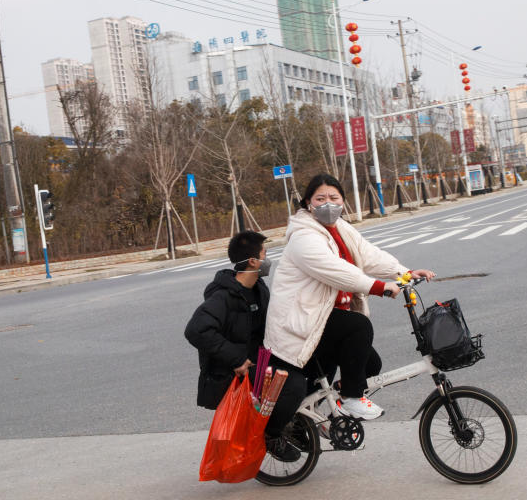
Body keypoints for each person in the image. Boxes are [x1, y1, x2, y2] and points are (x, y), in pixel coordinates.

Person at [264, 173, 435, 422]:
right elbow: (335, 270)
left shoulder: (341, 229)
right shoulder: (303, 236)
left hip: (322, 317)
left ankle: (319, 414)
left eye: (334, 197)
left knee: (369, 365)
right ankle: (351, 400)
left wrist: (404, 273)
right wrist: (377, 286)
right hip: (301, 322)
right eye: (320, 198)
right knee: (358, 327)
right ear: (307, 203)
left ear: (343, 202)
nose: (328, 204)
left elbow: (368, 255)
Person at [184, 230, 304, 462]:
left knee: (305, 365)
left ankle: (293, 423)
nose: (267, 260)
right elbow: (195, 330)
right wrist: (236, 359)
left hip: (259, 359)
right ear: (252, 261)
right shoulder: (224, 297)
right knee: (295, 383)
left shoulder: (258, 289)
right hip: (233, 372)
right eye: (264, 254)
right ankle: (271, 436)